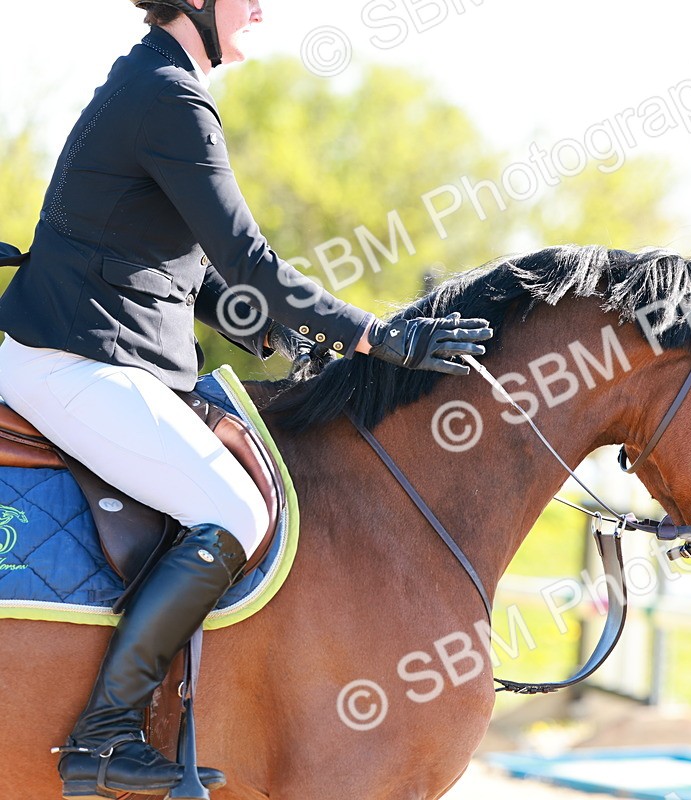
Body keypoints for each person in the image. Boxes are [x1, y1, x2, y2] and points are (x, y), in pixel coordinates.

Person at [0, 1, 492, 797]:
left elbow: (165, 257)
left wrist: (260, 321)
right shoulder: (169, 97)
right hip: (72, 364)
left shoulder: (151, 83)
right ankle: (104, 733)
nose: (262, 7)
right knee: (235, 509)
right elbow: (254, 259)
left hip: (98, 354)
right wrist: (380, 338)